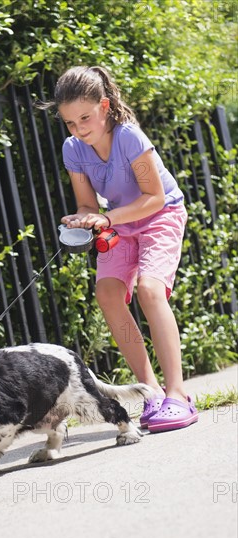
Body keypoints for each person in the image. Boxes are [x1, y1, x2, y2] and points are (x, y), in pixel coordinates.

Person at [44, 66, 198, 432]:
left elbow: (154, 198)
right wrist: (82, 219)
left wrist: (107, 219)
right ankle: (152, 392)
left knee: (149, 289)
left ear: (105, 105)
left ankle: (178, 393)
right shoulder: (74, 149)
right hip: (118, 224)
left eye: (85, 117)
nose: (79, 129)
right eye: (69, 123)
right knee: (108, 294)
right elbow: (87, 204)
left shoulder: (129, 136)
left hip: (159, 214)